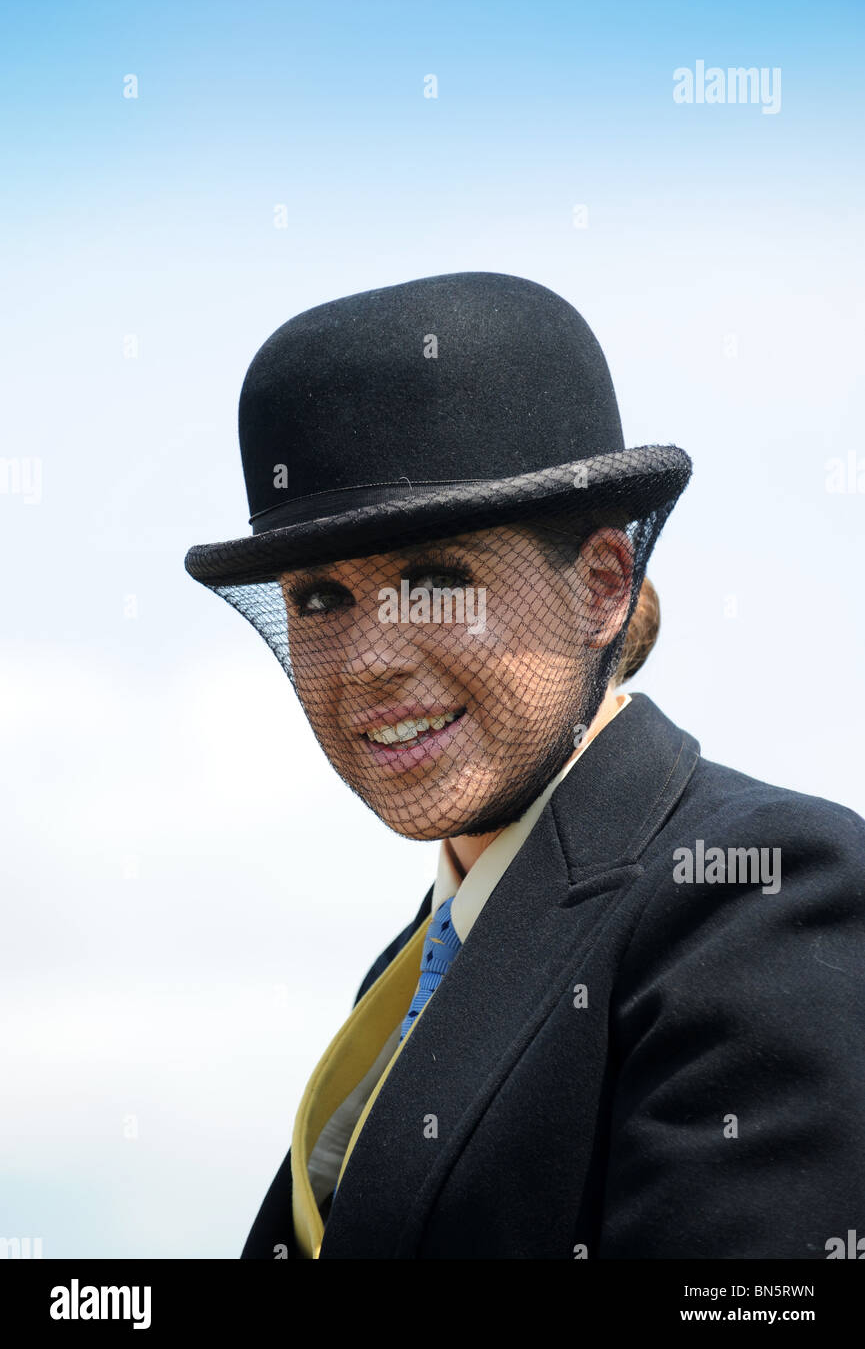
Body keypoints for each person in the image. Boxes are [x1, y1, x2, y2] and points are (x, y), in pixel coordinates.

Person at [184, 271, 865, 1259]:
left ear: (598, 588)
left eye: (434, 581)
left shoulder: (759, 891)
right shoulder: (419, 967)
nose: (372, 658)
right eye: (321, 598)